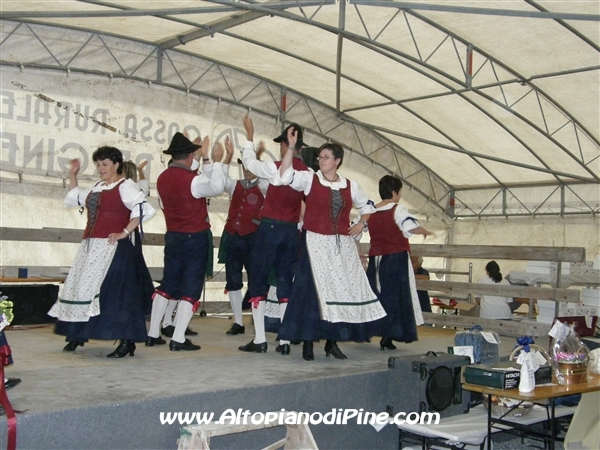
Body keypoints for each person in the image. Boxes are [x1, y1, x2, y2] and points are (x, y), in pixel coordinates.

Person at [276, 139, 387, 360]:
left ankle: (331, 343)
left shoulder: (350, 185)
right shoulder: (310, 178)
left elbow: (368, 206)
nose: (321, 160)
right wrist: (291, 148)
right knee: (312, 294)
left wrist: (361, 223)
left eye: (326, 157)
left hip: (340, 245)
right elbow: (285, 176)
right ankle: (308, 343)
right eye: (320, 157)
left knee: (339, 292)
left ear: (337, 161)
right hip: (314, 242)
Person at [48, 146, 156, 357]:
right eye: (98, 165)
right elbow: (74, 198)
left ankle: (127, 341)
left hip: (113, 248)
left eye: (105, 164)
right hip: (91, 247)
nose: (101, 168)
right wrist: (73, 175)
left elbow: (143, 209)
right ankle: (77, 334)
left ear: (116, 165)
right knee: (82, 289)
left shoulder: (126, 186)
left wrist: (125, 232)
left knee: (115, 294)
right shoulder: (97, 187)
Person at [146, 132, 225, 351]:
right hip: (194, 237)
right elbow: (216, 187)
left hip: (173, 236)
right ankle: (178, 338)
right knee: (191, 287)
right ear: (190, 156)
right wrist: (216, 161)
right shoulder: (193, 180)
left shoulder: (162, 178)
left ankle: (153, 333)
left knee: (168, 285)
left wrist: (197, 156)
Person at [239, 115, 308, 355]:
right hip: (291, 231)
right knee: (284, 281)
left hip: (269, 229)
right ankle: (285, 340)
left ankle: (260, 339)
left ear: (285, 145)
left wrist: (249, 137)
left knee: (258, 279)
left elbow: (249, 163)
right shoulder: (308, 173)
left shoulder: (274, 167)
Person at [366, 175, 433, 350]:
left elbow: (357, 228)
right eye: (400, 192)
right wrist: (424, 231)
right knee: (396, 298)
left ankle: (372, 331)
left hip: (376, 260)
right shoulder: (398, 209)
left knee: (377, 296)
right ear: (395, 192)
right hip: (395, 260)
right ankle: (390, 335)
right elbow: (409, 226)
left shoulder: (370, 210)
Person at [221, 136, 268, 335]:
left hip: (253, 239)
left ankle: (258, 324)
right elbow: (220, 181)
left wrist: (256, 158)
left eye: (250, 166)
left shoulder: (264, 186)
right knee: (233, 279)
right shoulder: (235, 185)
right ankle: (238, 322)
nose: (247, 169)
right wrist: (227, 157)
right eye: (244, 166)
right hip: (233, 237)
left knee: (256, 279)